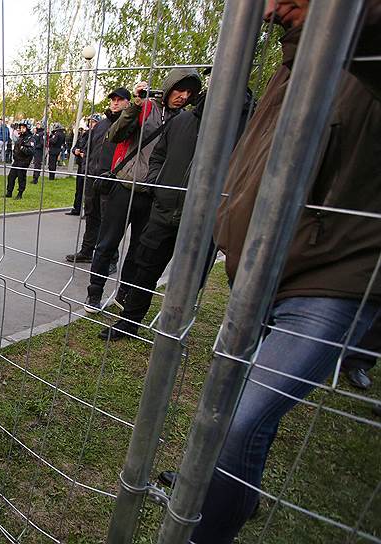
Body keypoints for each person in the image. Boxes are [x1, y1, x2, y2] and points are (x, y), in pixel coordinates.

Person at [193, 2, 381, 542]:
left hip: (333, 278)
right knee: (233, 409)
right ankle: (237, 492)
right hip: (257, 270)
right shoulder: (292, 59)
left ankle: (207, 528)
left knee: (238, 421)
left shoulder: (357, 42)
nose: (269, 9)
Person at [85, 68, 202, 312]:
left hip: (152, 194)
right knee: (107, 243)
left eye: (189, 92)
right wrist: (136, 105)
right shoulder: (146, 108)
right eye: (180, 88)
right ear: (169, 86)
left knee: (139, 250)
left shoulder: (185, 120)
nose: (183, 96)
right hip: (125, 187)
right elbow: (114, 135)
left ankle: (123, 293)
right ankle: (94, 293)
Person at [66, 89, 130, 265]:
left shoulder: (128, 124)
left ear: (127, 103)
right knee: (92, 215)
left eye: (120, 100)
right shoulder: (100, 125)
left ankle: (111, 259)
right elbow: (88, 148)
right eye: (113, 100)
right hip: (92, 178)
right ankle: (87, 251)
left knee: (109, 221)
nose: (115, 103)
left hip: (111, 181)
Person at [5, 121, 35, 199]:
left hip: (24, 161)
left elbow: (31, 151)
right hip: (17, 161)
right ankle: (9, 192)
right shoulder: (20, 137)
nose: (21, 129)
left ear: (27, 128)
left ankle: (20, 194)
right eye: (21, 127)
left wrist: (22, 148)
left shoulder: (30, 138)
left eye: (23, 128)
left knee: (21, 178)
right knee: (11, 176)